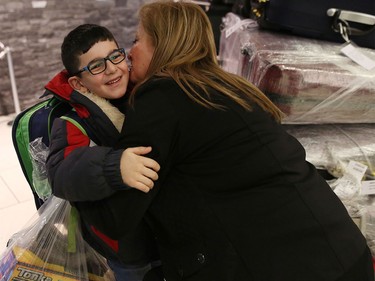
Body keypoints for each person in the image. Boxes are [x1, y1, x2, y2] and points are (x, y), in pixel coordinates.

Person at [48, 2, 374, 281]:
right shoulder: (231, 88)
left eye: (134, 43)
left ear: (162, 46)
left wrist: (105, 172)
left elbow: (117, 218)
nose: (129, 55)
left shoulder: (161, 97)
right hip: (342, 249)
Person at [46, 24, 161, 281]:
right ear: (79, 83)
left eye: (115, 56)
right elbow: (61, 172)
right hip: (128, 250)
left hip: (167, 234)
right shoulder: (72, 122)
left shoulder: (144, 93)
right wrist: (113, 166)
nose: (111, 68)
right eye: (96, 66)